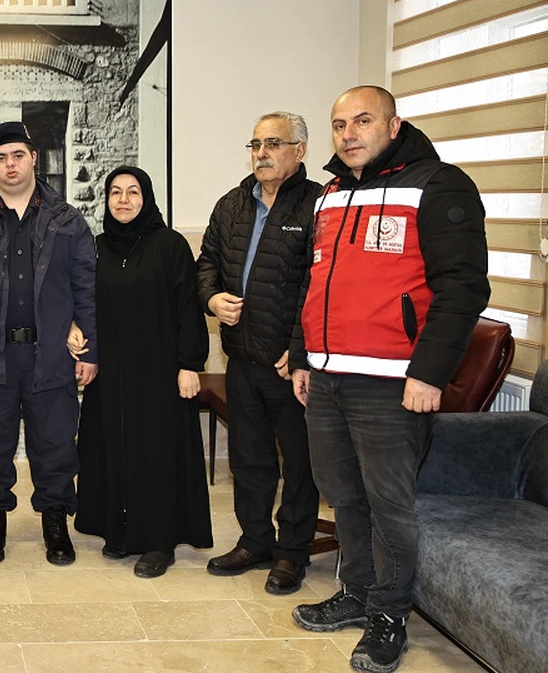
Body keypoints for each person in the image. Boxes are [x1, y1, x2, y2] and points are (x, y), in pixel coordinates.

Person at [290, 86, 489, 673]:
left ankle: (389, 614)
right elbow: (315, 284)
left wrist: (429, 373)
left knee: (389, 505)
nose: (348, 134)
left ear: (394, 124)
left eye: (363, 120)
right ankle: (356, 592)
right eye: (339, 124)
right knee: (344, 495)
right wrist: (302, 356)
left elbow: (463, 288)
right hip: (328, 376)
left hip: (392, 382)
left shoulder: (439, 185)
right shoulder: (331, 195)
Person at [0, 121, 98, 567]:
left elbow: (87, 288)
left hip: (52, 356)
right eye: (1, 158)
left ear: (34, 159)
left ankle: (55, 523)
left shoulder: (66, 219)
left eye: (18, 156)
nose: (10, 165)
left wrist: (90, 352)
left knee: (56, 446)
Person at [195, 112, 322, 595]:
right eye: (255, 144)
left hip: (289, 365)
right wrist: (211, 298)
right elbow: (207, 262)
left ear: (299, 151)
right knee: (249, 460)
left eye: (273, 143)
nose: (262, 153)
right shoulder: (232, 204)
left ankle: (291, 553)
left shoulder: (319, 204)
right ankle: (254, 542)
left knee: (299, 464)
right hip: (241, 359)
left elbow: (320, 284)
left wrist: (300, 349)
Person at [71, 165, 212, 578]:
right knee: (112, 447)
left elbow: (188, 309)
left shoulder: (170, 246)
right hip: (111, 373)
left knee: (156, 455)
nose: (123, 200)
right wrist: (74, 329)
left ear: (146, 198)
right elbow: (82, 301)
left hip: (160, 372)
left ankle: (158, 541)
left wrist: (190, 365)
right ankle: (119, 531)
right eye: (115, 192)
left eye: (133, 192)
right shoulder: (97, 247)